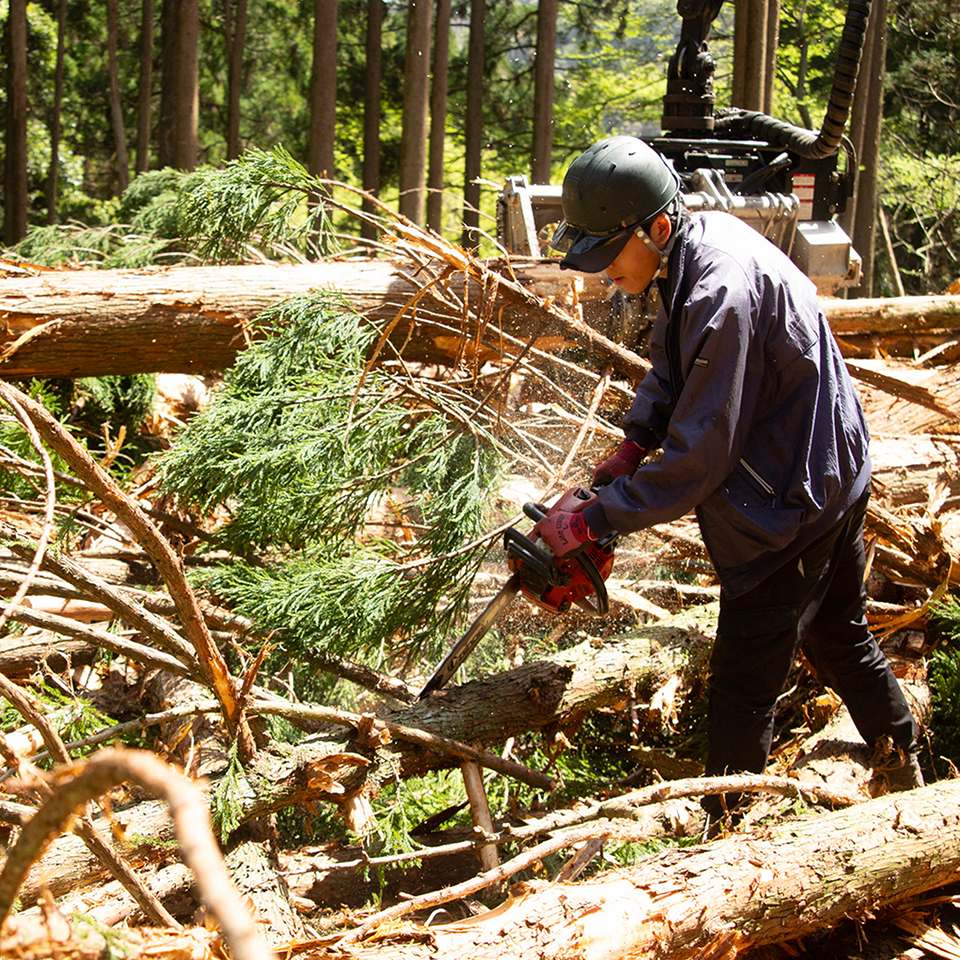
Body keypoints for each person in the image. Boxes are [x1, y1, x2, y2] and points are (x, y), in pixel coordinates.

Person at [533, 135, 923, 823]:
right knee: (839, 634)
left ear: (655, 227)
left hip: (792, 501)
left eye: (607, 255)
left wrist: (594, 520)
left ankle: (726, 848)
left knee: (743, 690)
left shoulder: (720, 288)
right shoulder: (695, 249)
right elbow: (672, 366)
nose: (602, 275)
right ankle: (914, 771)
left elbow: (698, 462)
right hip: (825, 467)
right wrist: (633, 442)